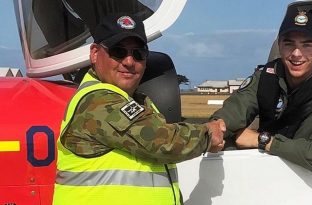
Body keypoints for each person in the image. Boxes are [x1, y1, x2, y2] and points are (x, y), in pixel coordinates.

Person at [52, 13, 225, 205]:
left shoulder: (137, 102)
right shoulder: (98, 101)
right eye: (118, 51)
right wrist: (209, 133)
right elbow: (161, 140)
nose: (129, 61)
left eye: (138, 54)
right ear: (94, 53)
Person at [210, 9, 312, 175]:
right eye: (289, 44)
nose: (296, 54)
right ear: (279, 45)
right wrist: (214, 128)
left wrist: (262, 140)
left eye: (307, 45)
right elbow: (235, 110)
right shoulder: (266, 77)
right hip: (263, 171)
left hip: (299, 179)